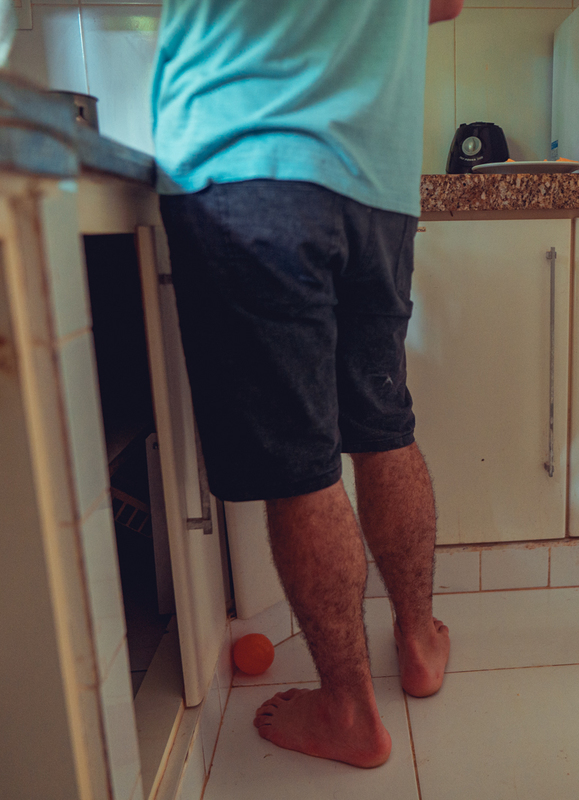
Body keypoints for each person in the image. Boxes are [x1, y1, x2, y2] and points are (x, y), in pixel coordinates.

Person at [151, 0, 461, 769]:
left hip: (248, 161)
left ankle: (349, 713)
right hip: (378, 183)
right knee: (382, 425)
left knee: (300, 462)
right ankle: (419, 642)